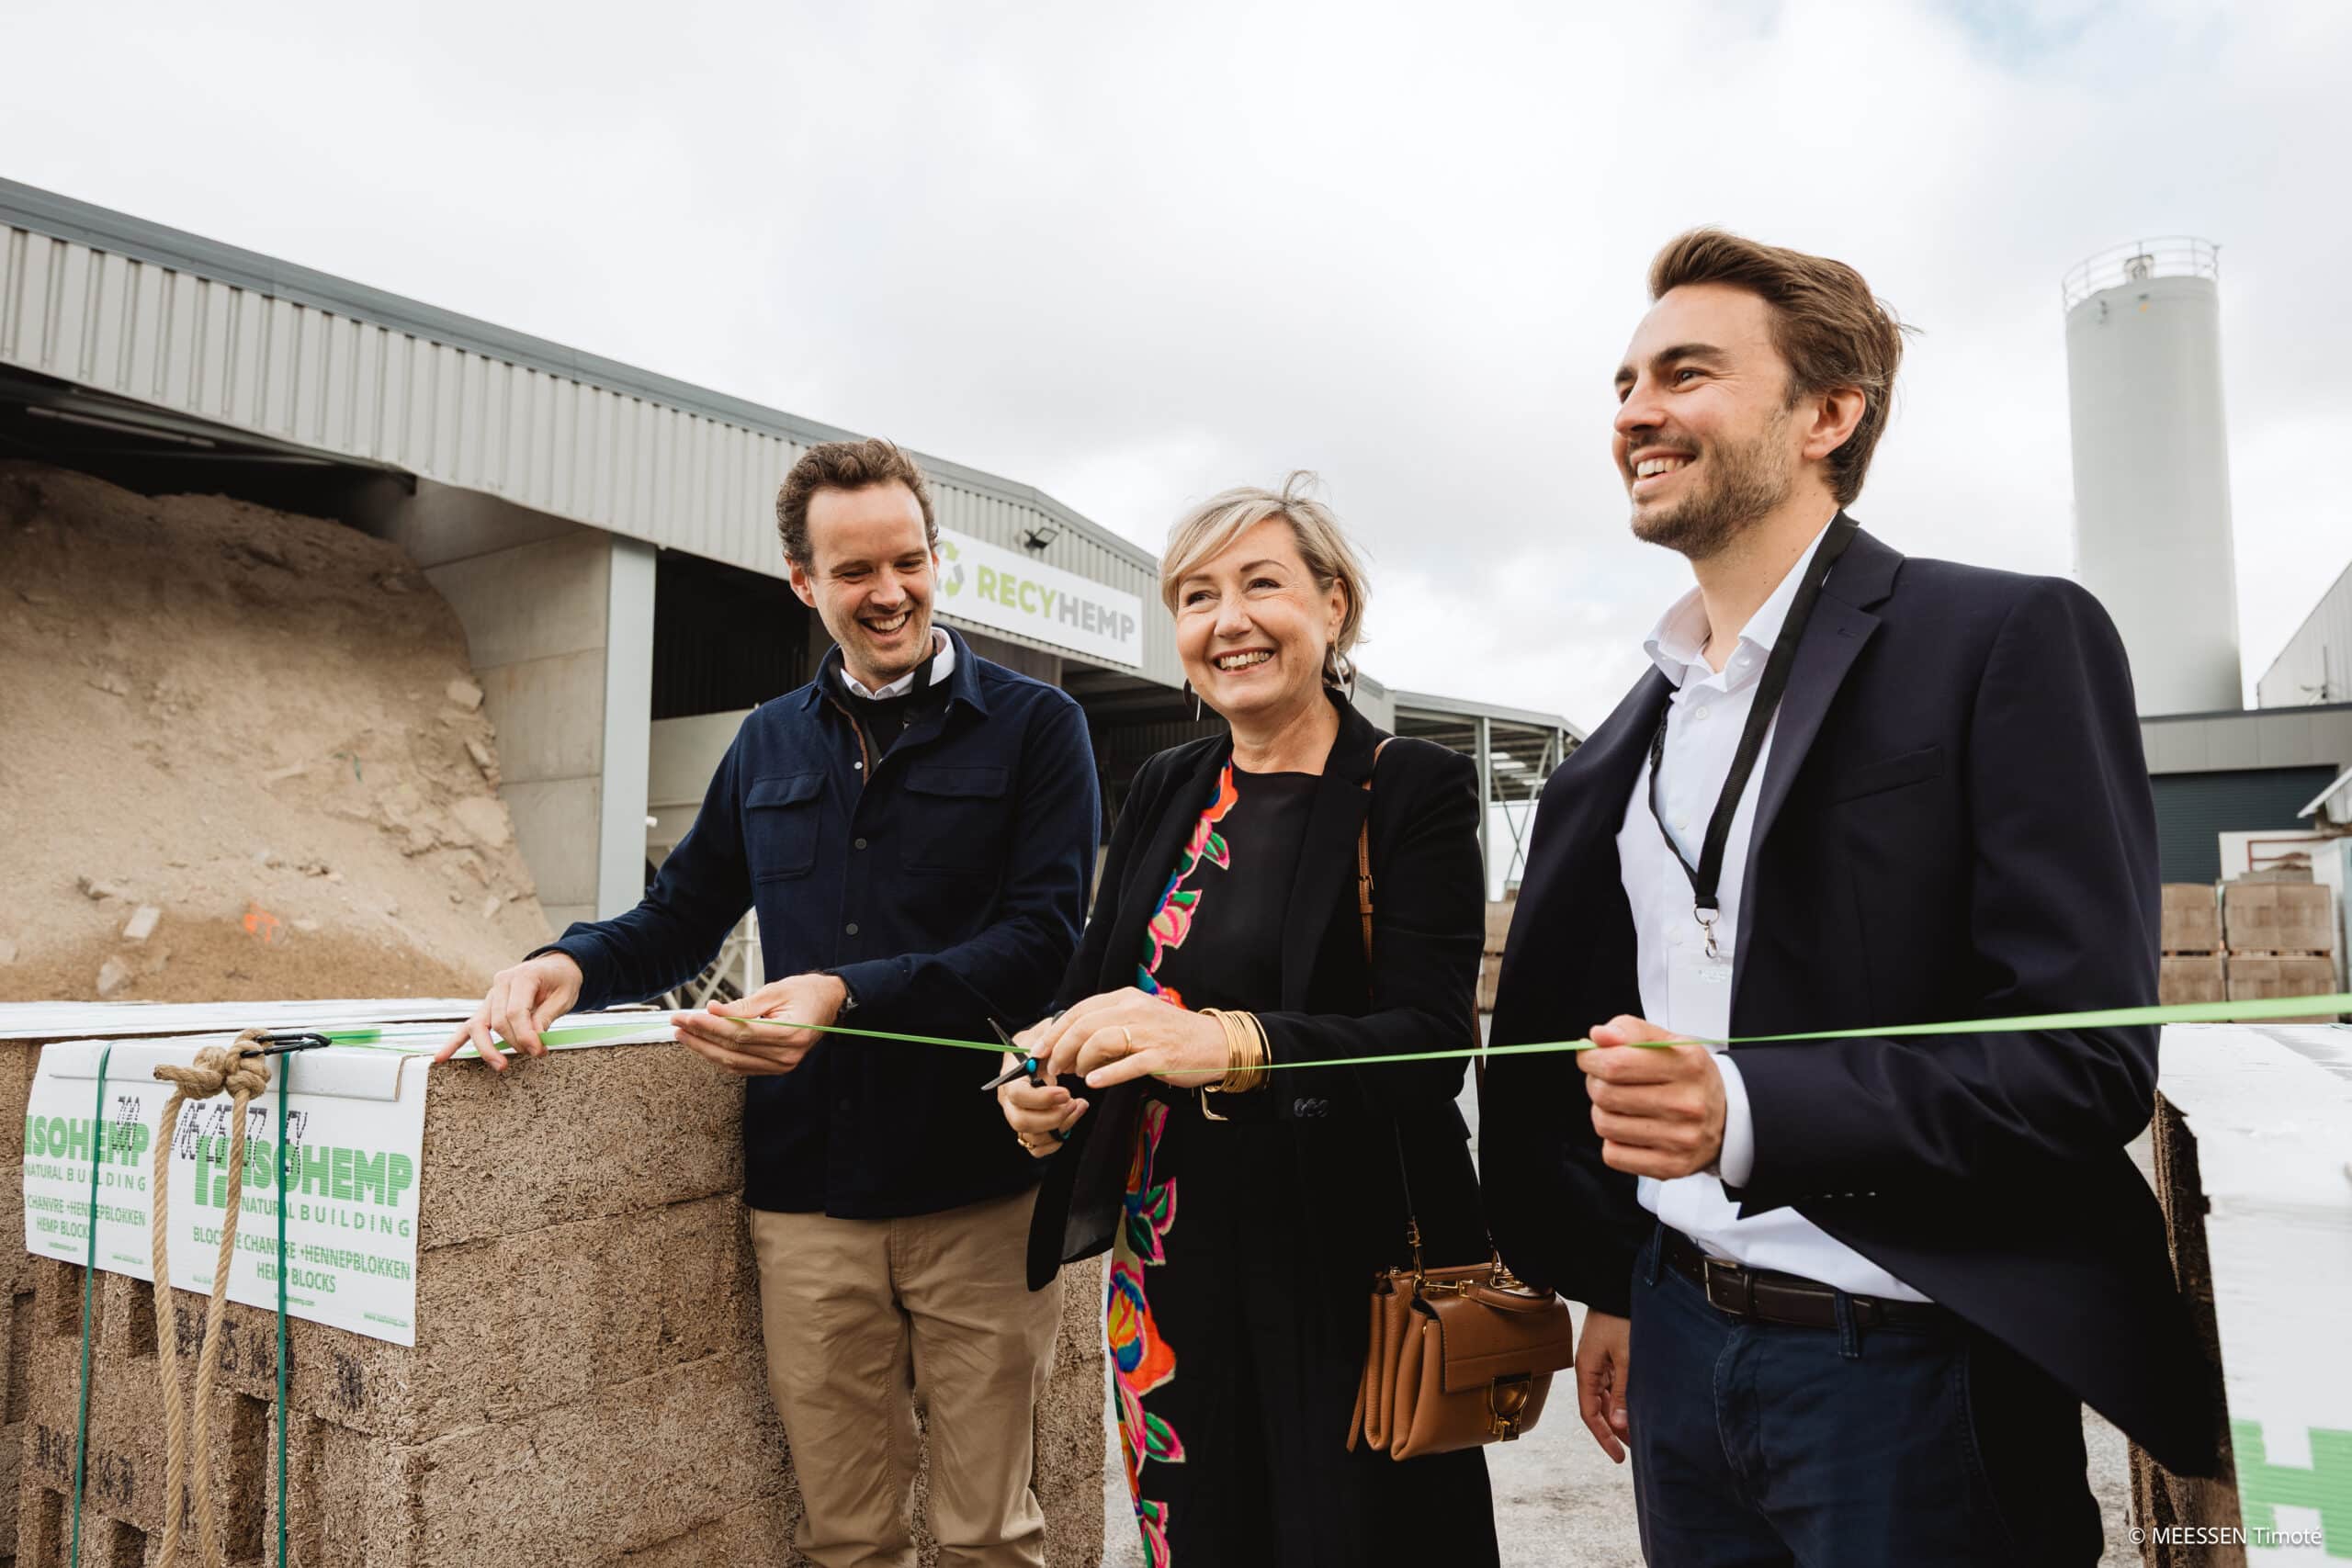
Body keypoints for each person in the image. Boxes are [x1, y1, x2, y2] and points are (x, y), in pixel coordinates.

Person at [1481, 230, 2217, 1566]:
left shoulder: (2005, 640)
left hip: (1912, 1374)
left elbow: (2084, 1061)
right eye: (1625, 382)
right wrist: (1615, 1281)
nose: (1635, 412)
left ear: (1829, 412)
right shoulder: (1625, 734)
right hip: (1679, 1337)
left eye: (1686, 373)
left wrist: (1749, 1109)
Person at [435, 438, 1100, 1568]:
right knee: (843, 1538)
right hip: (807, 1205)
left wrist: (845, 992)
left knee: (989, 1533)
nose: (886, 593)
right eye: (853, 571)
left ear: (937, 560)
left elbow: (1043, 944)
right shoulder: (766, 742)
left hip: (983, 1194)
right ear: (803, 581)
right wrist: (570, 967)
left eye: (906, 562)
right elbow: (679, 916)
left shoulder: (1039, 729)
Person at [1000, 476, 1500, 1568]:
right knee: (1202, 1535)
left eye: (1259, 584)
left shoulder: (1407, 786)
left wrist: (1230, 1044)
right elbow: (1089, 994)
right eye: (1194, 596)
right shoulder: (1166, 787)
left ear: (1333, 605)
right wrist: (1039, 1086)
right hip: (1169, 1263)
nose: (1225, 621)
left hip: (1349, 1260)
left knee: (1355, 1538)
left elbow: (1427, 1041)